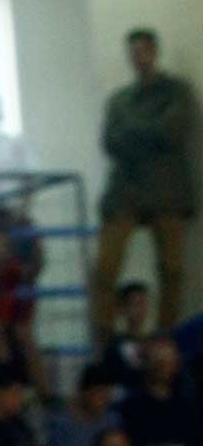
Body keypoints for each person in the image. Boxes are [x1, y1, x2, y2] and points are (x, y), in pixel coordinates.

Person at [93, 28, 197, 340]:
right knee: (104, 269)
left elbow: (172, 132)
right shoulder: (120, 100)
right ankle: (108, 339)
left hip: (166, 193)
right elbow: (111, 141)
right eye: (132, 53)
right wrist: (150, 131)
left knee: (172, 270)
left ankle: (165, 337)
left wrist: (133, 131)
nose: (137, 59)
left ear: (154, 51)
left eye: (141, 51)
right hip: (125, 192)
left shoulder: (176, 92)